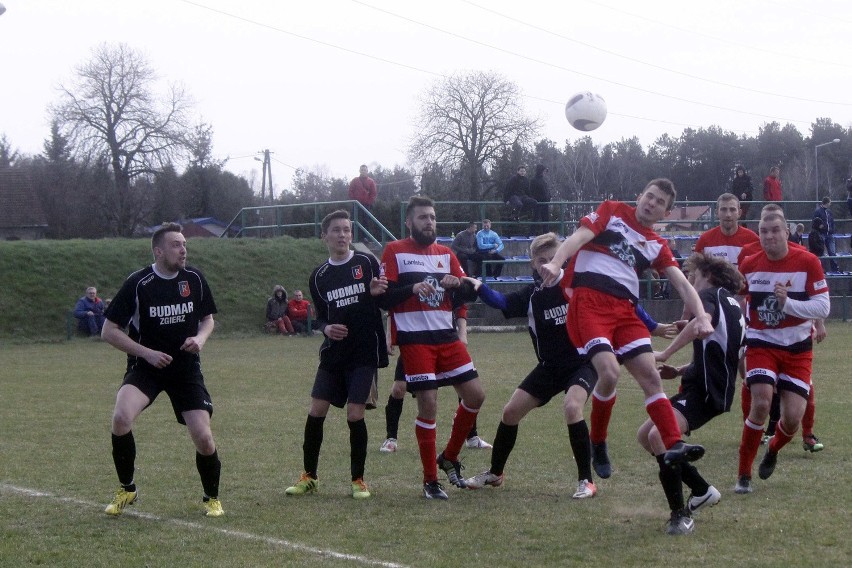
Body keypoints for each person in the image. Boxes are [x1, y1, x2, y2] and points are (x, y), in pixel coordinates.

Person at [539, 178, 714, 481]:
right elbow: (579, 237)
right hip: (590, 303)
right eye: (650, 196)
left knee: (650, 377)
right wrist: (556, 263)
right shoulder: (613, 211)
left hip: (626, 311)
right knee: (609, 372)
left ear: (666, 213)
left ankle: (674, 444)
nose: (652, 203)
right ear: (639, 196)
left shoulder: (658, 245)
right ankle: (598, 440)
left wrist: (702, 317)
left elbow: (683, 284)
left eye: (660, 202)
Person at [101, 222, 223, 517]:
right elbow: (109, 331)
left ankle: (212, 498)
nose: (183, 250)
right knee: (121, 417)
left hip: (185, 369)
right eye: (176, 245)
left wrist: (200, 338)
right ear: (158, 251)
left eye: (184, 244)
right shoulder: (139, 283)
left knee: (203, 437)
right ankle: (127, 489)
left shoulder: (194, 278)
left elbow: (208, 320)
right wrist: (147, 353)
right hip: (146, 367)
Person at [378, 195, 485, 500]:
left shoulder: (447, 254)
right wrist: (411, 288)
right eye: (423, 217)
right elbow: (383, 298)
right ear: (409, 222)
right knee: (429, 404)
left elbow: (468, 295)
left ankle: (449, 456)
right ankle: (430, 480)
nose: (429, 222)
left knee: (476, 395)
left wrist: (458, 285)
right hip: (415, 341)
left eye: (433, 217)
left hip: (446, 337)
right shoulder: (395, 251)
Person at [637, 253, 746, 536]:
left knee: (658, 437)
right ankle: (701, 489)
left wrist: (664, 352)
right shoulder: (732, 304)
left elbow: (700, 325)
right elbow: (719, 353)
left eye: (693, 276)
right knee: (645, 435)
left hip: (707, 392)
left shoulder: (709, 295)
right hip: (708, 386)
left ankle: (681, 515)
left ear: (707, 275)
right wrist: (681, 370)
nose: (689, 282)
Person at [284, 210, 388, 500]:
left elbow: (384, 295)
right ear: (324, 236)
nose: (342, 235)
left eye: (346, 230)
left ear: (351, 235)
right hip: (333, 355)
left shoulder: (367, 262)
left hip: (363, 354)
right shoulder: (319, 276)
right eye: (336, 230)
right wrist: (327, 328)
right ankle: (309, 477)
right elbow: (319, 319)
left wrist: (377, 292)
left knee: (355, 415)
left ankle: (358, 480)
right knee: (316, 411)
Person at [734, 210, 830, 495]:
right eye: (764, 231)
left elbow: (823, 308)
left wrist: (788, 304)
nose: (769, 236)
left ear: (787, 232)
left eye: (775, 230)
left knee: (792, 419)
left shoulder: (808, 262)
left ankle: (773, 448)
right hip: (762, 343)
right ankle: (743, 474)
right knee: (761, 403)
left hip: (798, 349)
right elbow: (737, 299)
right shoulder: (749, 265)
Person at [379, 304, 491, 453]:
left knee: (465, 387)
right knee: (399, 388)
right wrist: (389, 336)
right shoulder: (409, 283)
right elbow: (393, 306)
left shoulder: (448, 281)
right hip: (416, 343)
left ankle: (471, 437)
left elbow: (460, 305)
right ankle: (391, 438)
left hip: (444, 341)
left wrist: (462, 335)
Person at [694, 193, 759, 269]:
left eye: (732, 210)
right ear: (716, 213)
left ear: (740, 213)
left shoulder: (753, 240)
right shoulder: (704, 240)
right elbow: (694, 272)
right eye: (723, 210)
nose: (728, 214)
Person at [813, 197, 840, 272]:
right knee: (821, 252)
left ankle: (834, 268)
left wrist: (832, 229)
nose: (830, 204)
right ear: (827, 203)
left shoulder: (829, 212)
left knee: (832, 252)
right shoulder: (818, 212)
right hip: (821, 234)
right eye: (830, 202)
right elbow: (814, 222)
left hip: (830, 234)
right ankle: (821, 269)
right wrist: (819, 227)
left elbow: (832, 221)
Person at [529, 164, 551, 230]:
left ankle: (546, 234)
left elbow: (546, 190)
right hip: (537, 203)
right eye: (543, 171)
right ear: (540, 171)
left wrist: (549, 196)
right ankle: (531, 234)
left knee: (545, 220)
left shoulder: (543, 180)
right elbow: (532, 192)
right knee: (535, 219)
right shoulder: (533, 180)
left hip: (545, 203)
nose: (544, 172)